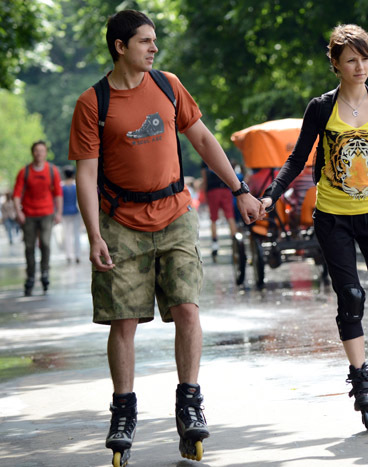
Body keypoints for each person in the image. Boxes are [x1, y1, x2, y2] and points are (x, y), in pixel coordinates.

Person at [68, 10, 264, 463]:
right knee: (124, 321)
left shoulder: (167, 85)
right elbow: (86, 174)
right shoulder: (92, 103)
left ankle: (189, 402)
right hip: (120, 222)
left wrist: (240, 189)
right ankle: (123, 411)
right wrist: (94, 233)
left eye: (154, 41)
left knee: (187, 308)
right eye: (144, 41)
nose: (154, 48)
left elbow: (202, 139)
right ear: (120, 46)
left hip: (175, 213)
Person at [260, 24, 368, 430]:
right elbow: (298, 158)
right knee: (350, 295)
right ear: (335, 64)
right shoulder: (321, 108)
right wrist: (271, 195)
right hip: (333, 217)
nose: (360, 66)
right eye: (351, 59)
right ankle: (361, 377)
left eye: (365, 58)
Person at [12, 141, 63, 296]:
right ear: (32, 153)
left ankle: (45, 273)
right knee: (29, 247)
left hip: (47, 213)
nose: (39, 153)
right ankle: (30, 276)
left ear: (45, 153)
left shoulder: (52, 171)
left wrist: (59, 213)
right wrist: (18, 212)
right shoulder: (25, 172)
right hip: (29, 214)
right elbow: (16, 194)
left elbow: (58, 193)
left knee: (46, 244)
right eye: (36, 151)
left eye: (42, 151)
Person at [200, 160, 237, 262]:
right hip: (225, 189)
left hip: (213, 191)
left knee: (213, 219)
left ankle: (215, 245)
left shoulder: (204, 160)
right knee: (230, 217)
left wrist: (206, 194)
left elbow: (205, 179)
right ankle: (236, 244)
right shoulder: (223, 155)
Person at [60, 165, 82, 264]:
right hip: (75, 211)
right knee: (76, 234)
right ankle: (77, 254)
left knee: (66, 234)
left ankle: (68, 255)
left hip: (64, 212)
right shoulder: (76, 185)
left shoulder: (61, 186)